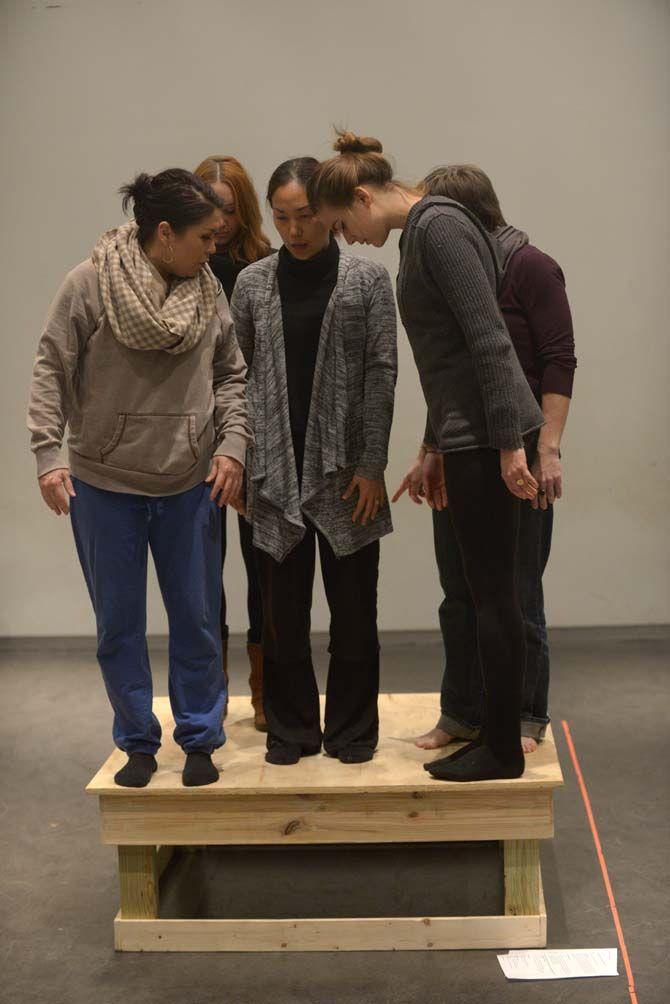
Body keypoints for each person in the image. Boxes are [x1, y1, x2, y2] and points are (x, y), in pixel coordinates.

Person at [308, 132, 545, 782]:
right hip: (467, 437)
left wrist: (506, 446)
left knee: (495, 597)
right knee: (478, 592)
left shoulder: (438, 227)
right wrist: (434, 446)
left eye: (340, 224)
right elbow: (447, 366)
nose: (345, 239)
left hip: (490, 439)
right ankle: (489, 736)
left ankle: (501, 750)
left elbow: (489, 341)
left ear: (362, 196)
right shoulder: (422, 235)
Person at [28, 169, 251, 788]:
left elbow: (233, 375)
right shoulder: (90, 282)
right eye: (205, 236)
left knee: (198, 621)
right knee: (117, 625)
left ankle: (200, 737)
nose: (215, 247)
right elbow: (51, 364)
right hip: (104, 488)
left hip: (189, 485)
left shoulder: (208, 292)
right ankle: (137, 743)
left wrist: (232, 447)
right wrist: (49, 455)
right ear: (164, 232)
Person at [397, 165, 576, 755]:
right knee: (459, 592)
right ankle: (464, 712)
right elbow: (451, 374)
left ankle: (523, 715)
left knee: (516, 592)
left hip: (514, 450)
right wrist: (431, 449)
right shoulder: (453, 268)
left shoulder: (530, 266)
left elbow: (556, 361)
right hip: (464, 450)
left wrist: (547, 448)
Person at [230, 157, 397, 766]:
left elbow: (383, 373)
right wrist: (243, 462)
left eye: (304, 216)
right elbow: (237, 377)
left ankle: (353, 731)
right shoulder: (251, 283)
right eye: (281, 218)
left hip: (348, 472)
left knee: (354, 610)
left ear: (326, 213)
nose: (294, 230)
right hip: (273, 473)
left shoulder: (368, 280)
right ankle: (291, 730)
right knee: (282, 617)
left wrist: (372, 462)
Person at [194, 155, 274, 731]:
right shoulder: (177, 268)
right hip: (194, 439)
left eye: (228, 207)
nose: (219, 221)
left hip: (258, 437)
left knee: (264, 568)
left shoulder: (267, 268)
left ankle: (267, 690)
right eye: (209, 207)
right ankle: (211, 690)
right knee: (202, 571)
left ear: (243, 208)